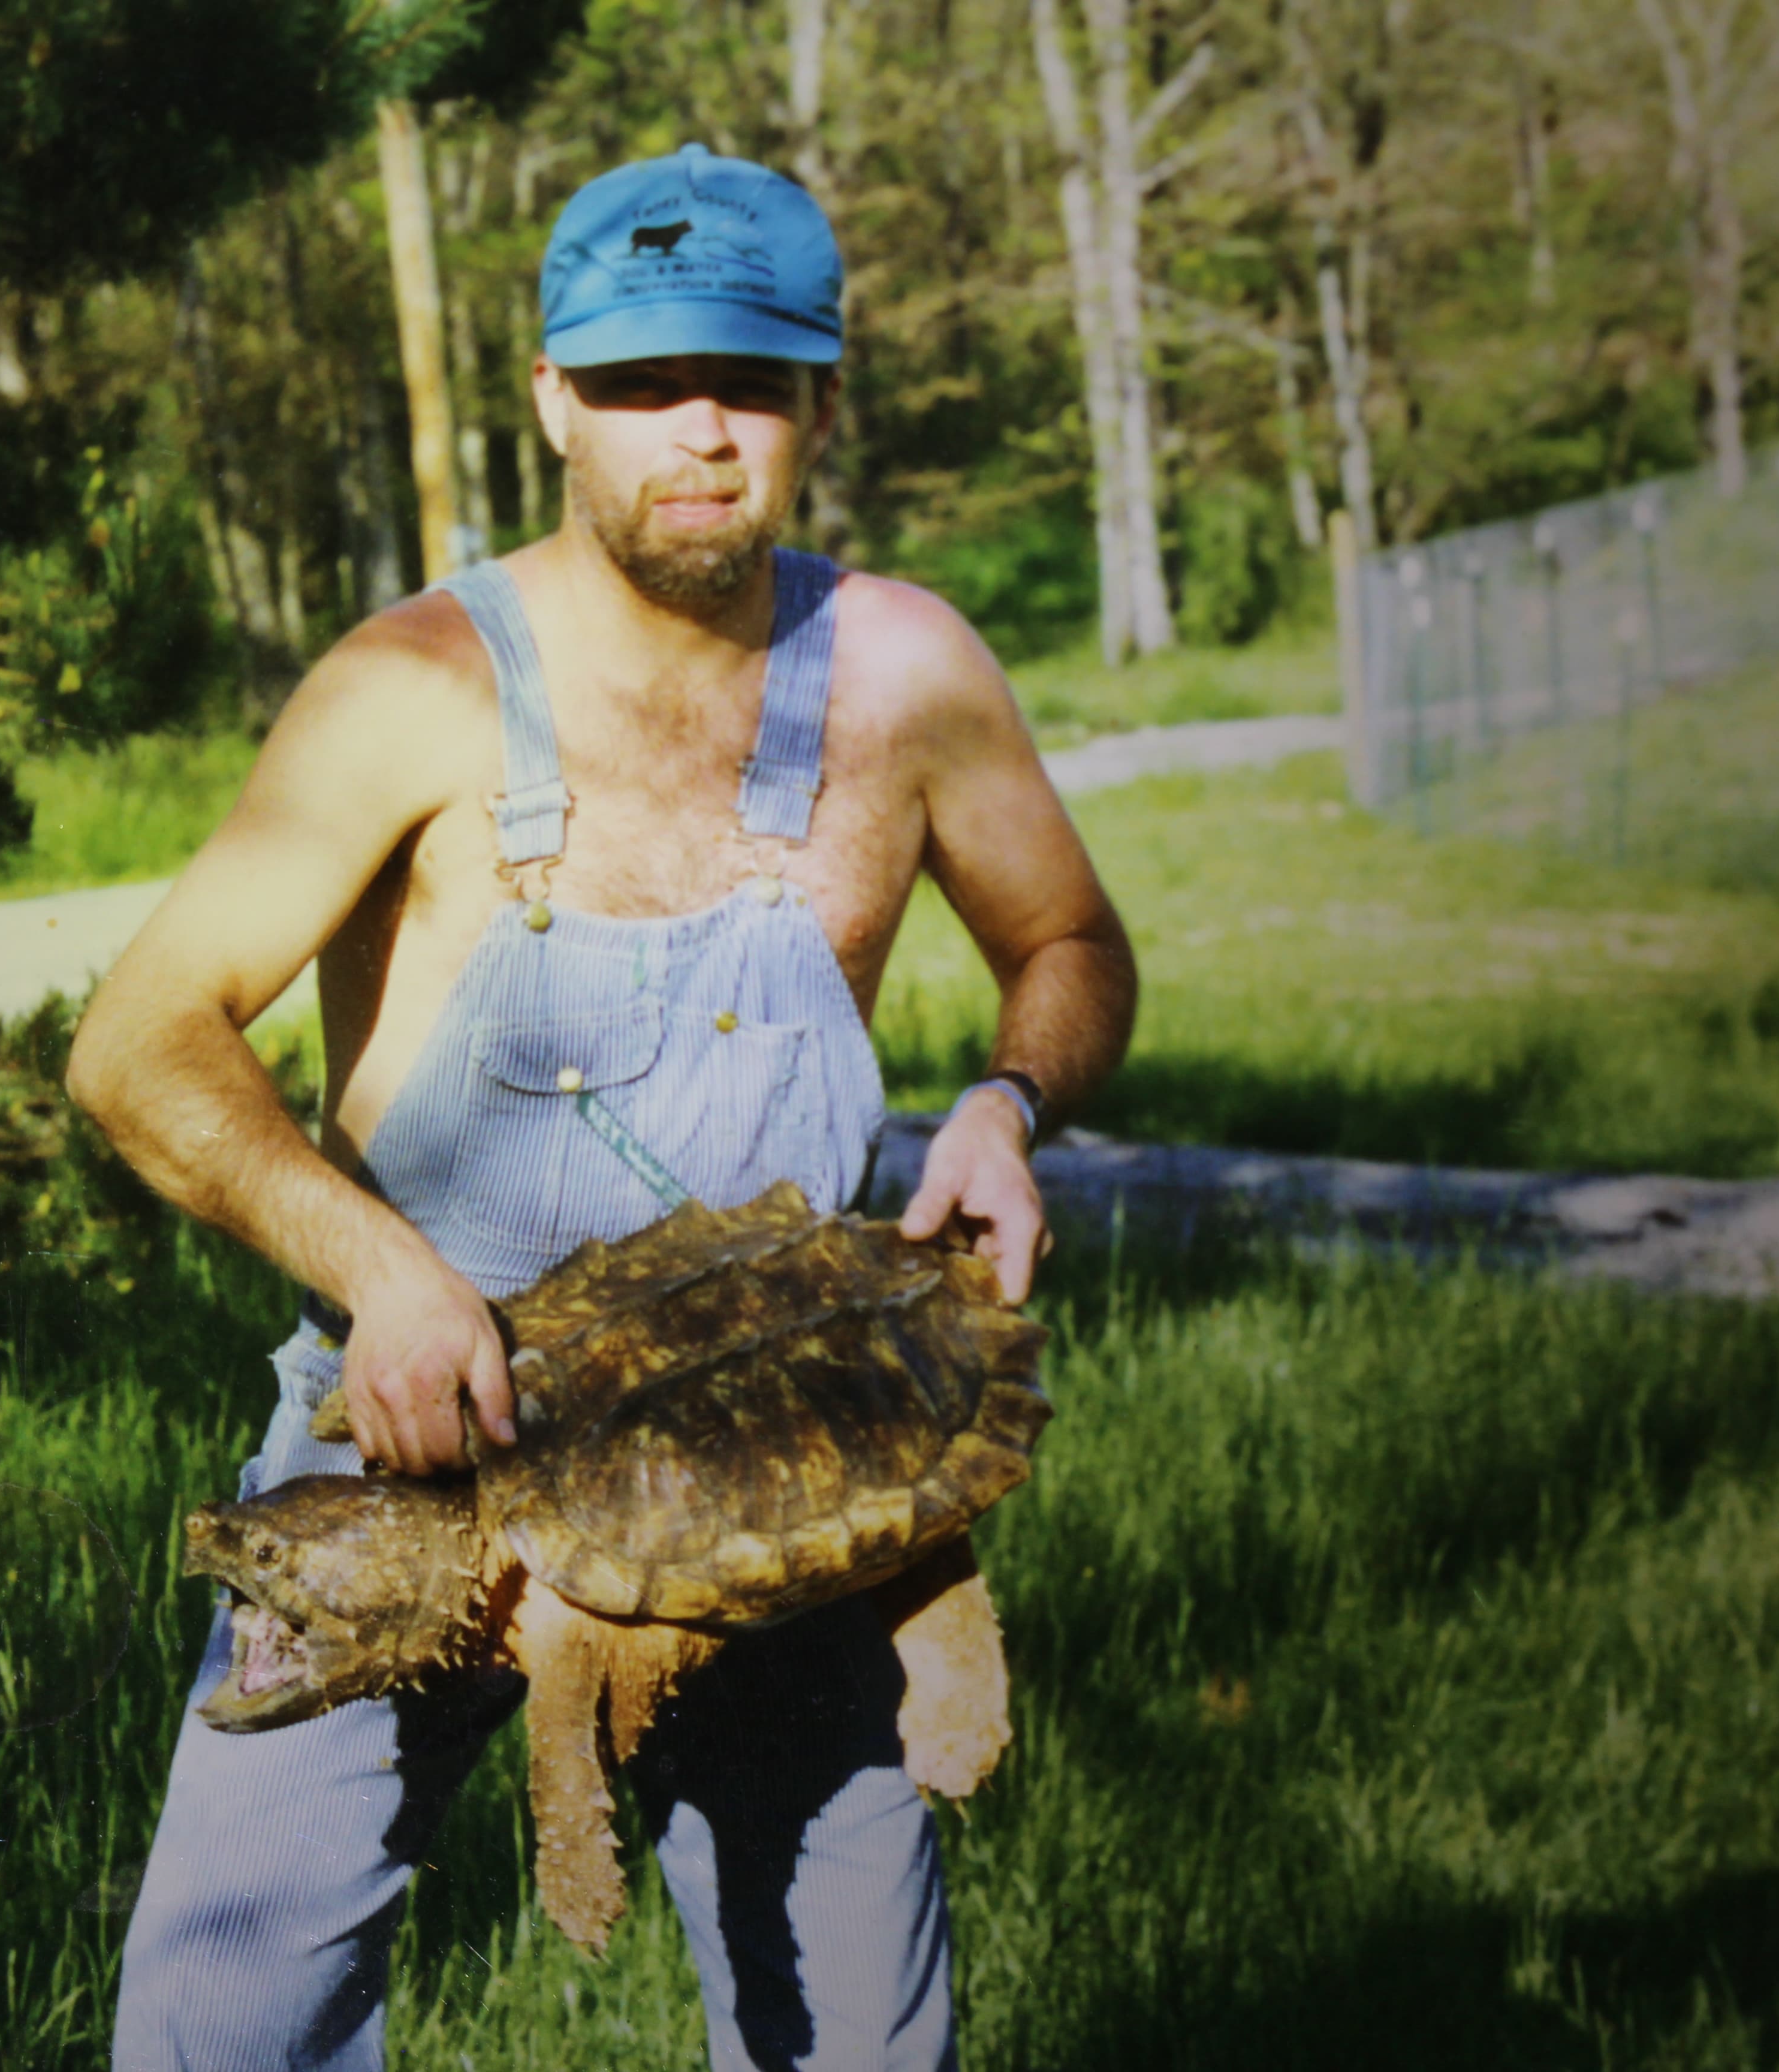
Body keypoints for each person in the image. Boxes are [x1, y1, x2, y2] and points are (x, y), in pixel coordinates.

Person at [69, 141, 1136, 2072]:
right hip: (411, 1449)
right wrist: (381, 1274)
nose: (697, 431)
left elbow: (1069, 940)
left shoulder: (907, 673)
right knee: (219, 2033)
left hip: (777, 1448)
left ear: (821, 394)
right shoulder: (413, 686)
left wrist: (1004, 1102)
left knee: (855, 2048)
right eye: (640, 384)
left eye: (746, 378)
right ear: (553, 397)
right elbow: (140, 1040)